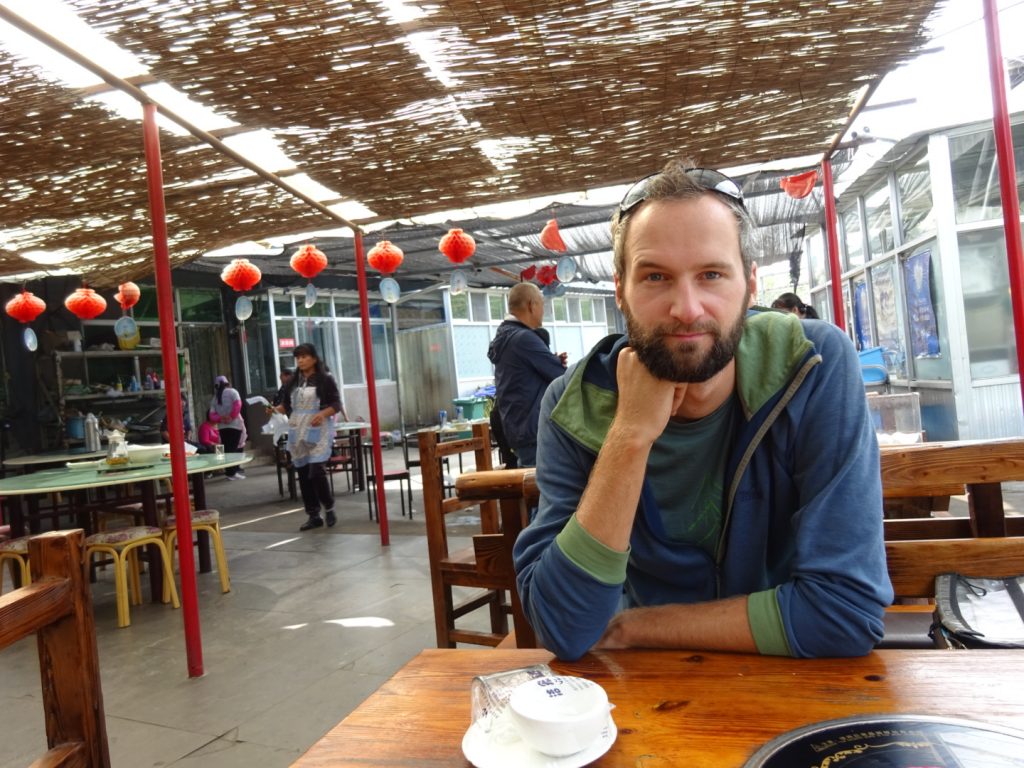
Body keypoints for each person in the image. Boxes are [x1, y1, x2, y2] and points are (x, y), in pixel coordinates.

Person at [513, 160, 892, 662]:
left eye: (711, 274)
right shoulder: (574, 404)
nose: (687, 308)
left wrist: (633, 628)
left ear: (750, 284)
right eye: (655, 277)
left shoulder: (812, 364)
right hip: (647, 689)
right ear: (621, 290)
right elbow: (563, 626)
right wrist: (628, 436)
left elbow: (845, 611)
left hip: (788, 675)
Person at [487, 283, 568, 467]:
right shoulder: (524, 339)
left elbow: (526, 375)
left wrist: (550, 360)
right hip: (533, 434)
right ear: (532, 305)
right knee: (546, 483)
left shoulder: (505, 336)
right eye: (542, 304)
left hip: (519, 430)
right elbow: (561, 377)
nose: (544, 310)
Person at [273, 343, 346, 531]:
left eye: (304, 356)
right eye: (298, 357)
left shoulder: (325, 379)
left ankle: (329, 507)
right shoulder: (293, 381)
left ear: (314, 358)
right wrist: (273, 410)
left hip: (318, 429)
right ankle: (313, 515)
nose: (301, 360)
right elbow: (285, 406)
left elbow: (336, 404)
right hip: (298, 429)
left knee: (316, 471)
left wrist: (322, 414)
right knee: (304, 473)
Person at [208, 375, 246, 479]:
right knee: (233, 449)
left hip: (222, 427)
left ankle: (230, 472)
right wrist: (231, 417)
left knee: (227, 449)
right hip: (235, 425)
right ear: (227, 383)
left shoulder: (215, 398)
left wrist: (221, 418)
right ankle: (232, 473)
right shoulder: (233, 392)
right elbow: (238, 405)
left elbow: (211, 414)